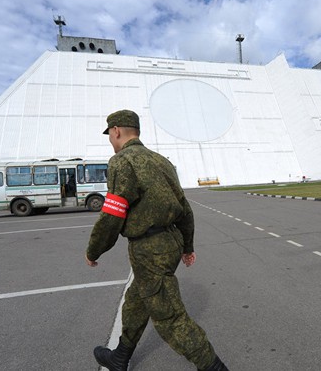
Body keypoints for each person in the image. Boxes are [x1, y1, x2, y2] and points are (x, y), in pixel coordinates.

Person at [86, 109, 228, 371]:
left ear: (115, 131)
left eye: (110, 134)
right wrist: (187, 246)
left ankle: (214, 368)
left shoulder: (121, 161)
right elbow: (184, 208)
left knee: (170, 316)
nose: (110, 139)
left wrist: (94, 250)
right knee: (137, 300)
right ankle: (120, 356)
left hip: (149, 250)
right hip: (170, 241)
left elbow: (112, 214)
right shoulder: (162, 161)